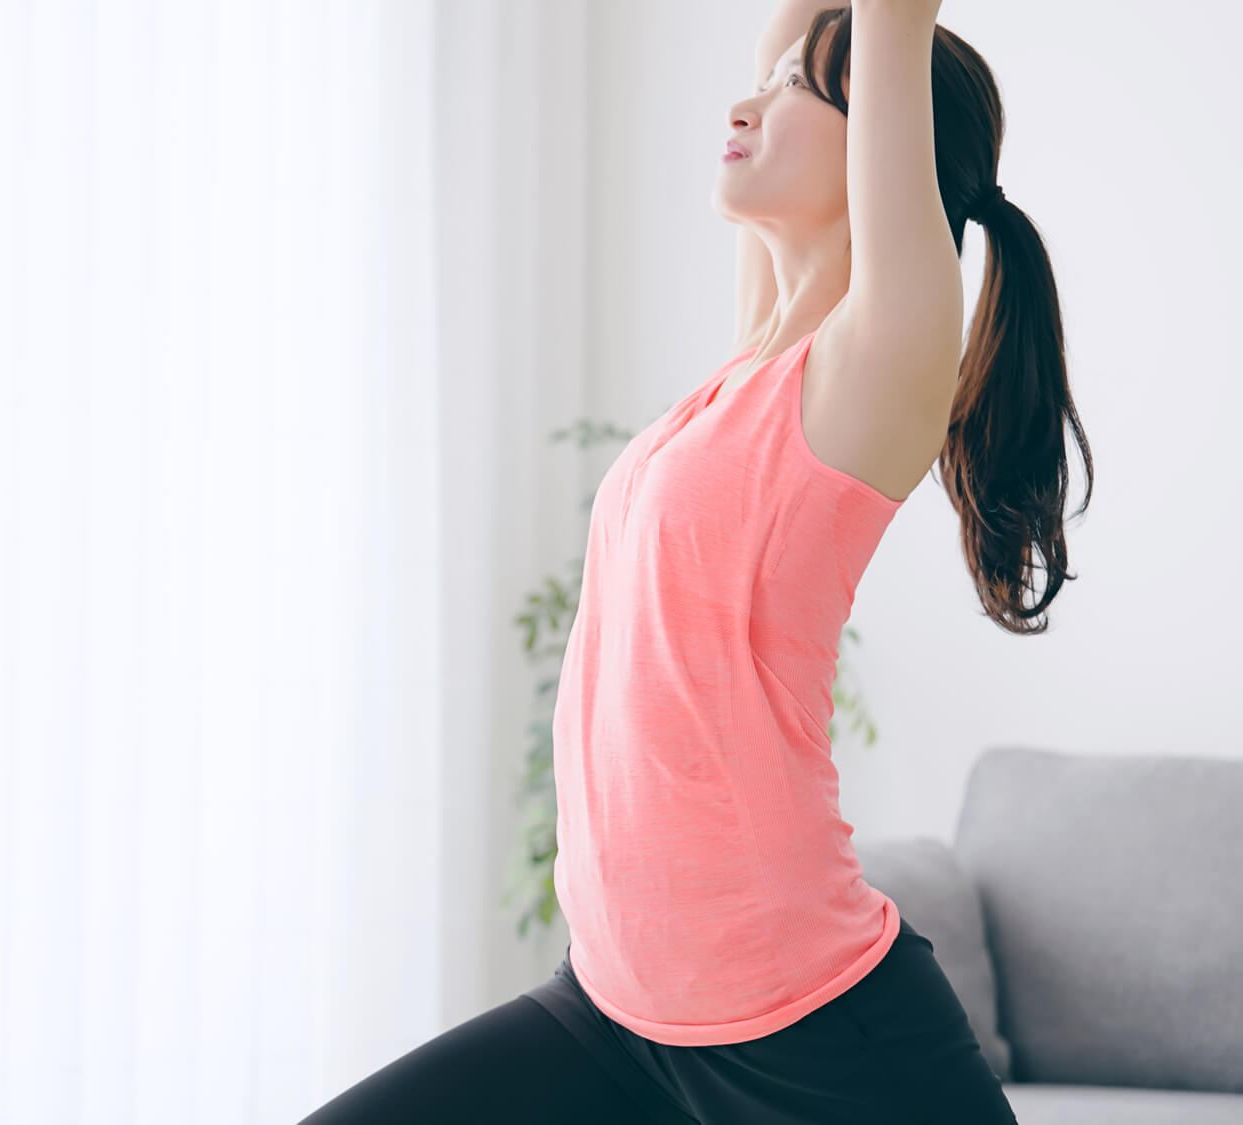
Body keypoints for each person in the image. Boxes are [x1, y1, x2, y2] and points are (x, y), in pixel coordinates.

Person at [300, 1, 1091, 1120]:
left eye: (795, 93)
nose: (744, 105)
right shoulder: (750, 366)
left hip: (809, 1024)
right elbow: (786, 36)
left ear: (884, 146)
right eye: (758, 87)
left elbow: (888, 21)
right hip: (614, 1011)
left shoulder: (876, 365)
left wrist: (872, 37)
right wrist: (791, 57)